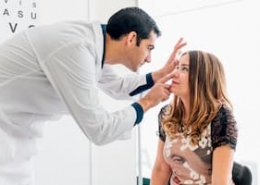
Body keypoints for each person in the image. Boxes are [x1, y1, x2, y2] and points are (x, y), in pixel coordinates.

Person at [0, 6, 187, 185]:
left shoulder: (91, 46)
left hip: (16, 137)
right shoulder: (75, 48)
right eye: (149, 48)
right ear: (131, 38)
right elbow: (99, 129)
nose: (149, 58)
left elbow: (118, 86)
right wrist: (147, 102)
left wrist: (160, 74)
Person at [150, 50, 238, 185]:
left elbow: (221, 182)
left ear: (202, 77)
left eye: (184, 69)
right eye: (177, 67)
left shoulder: (221, 117)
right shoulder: (167, 114)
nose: (175, 73)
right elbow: (161, 169)